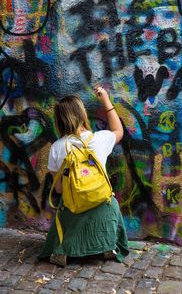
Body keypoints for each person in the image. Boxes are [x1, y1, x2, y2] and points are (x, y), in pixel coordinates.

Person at [38, 86, 129, 267]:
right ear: (83, 115)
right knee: (111, 203)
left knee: (65, 207)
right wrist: (105, 101)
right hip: (101, 202)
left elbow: (58, 189)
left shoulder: (57, 147)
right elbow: (119, 130)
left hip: (74, 206)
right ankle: (107, 244)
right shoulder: (100, 138)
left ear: (59, 120)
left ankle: (63, 249)